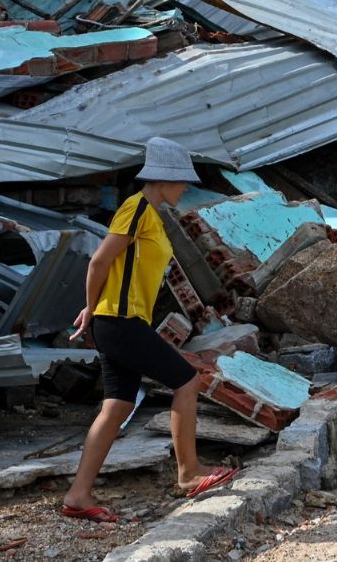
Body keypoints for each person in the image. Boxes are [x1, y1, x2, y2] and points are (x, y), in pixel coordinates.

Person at [61, 137, 238, 523]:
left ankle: (78, 495)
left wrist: (97, 308)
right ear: (163, 179)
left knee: (117, 405)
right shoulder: (136, 208)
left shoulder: (152, 216)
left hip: (121, 321)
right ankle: (189, 473)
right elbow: (99, 261)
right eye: (182, 180)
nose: (185, 187)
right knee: (187, 381)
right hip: (119, 322)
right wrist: (91, 308)